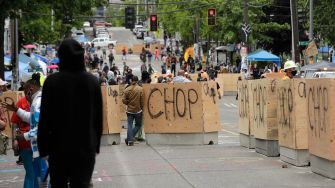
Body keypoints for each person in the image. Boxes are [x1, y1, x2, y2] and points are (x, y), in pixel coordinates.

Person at [37, 39, 103, 187]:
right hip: (85, 146)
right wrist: (96, 144)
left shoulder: (52, 82)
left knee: (58, 183)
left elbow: (45, 118)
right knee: (81, 184)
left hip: (58, 147)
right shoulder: (92, 82)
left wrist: (44, 148)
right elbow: (98, 117)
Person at [122, 76, 144, 146]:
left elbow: (123, 100)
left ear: (131, 80)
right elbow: (142, 101)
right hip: (138, 110)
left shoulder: (126, 89)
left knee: (129, 125)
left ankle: (129, 139)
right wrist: (141, 107)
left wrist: (128, 103)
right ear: (137, 81)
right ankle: (130, 139)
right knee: (138, 125)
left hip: (129, 111)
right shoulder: (141, 89)